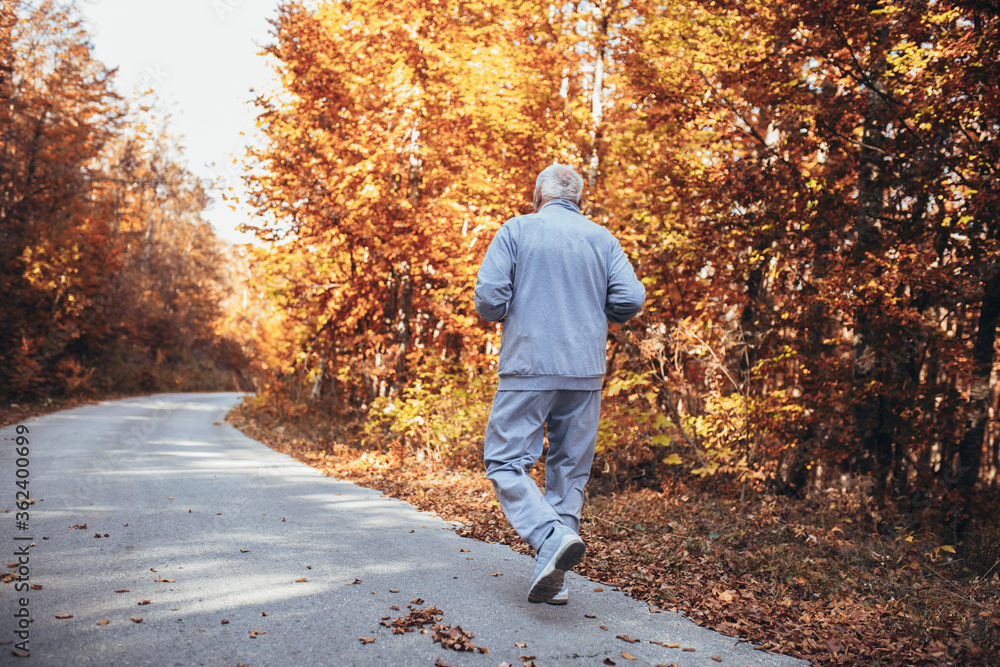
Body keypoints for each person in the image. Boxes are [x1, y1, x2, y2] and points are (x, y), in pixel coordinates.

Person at [474, 163, 646, 604]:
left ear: (538, 196)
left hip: (529, 367)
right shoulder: (601, 238)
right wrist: (597, 310)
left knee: (505, 460)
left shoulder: (516, 230)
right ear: (579, 200)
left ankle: (548, 535)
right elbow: (630, 298)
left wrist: (509, 310)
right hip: (585, 371)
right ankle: (555, 576)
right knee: (569, 469)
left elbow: (490, 300)